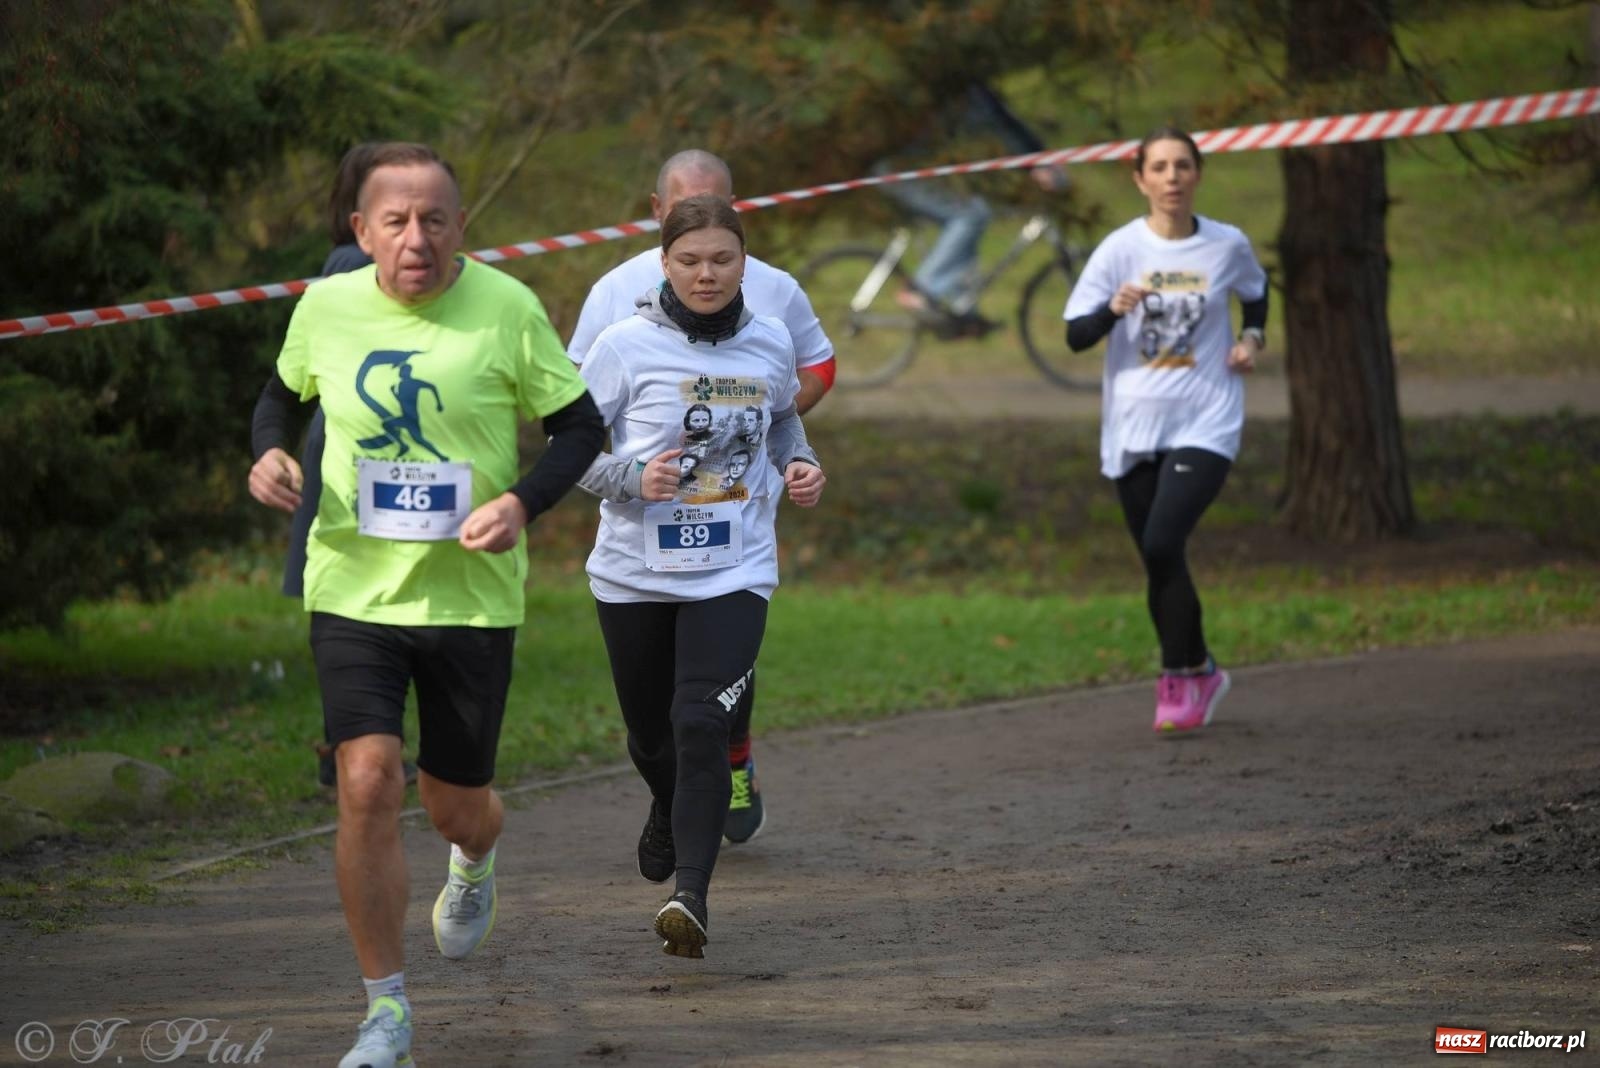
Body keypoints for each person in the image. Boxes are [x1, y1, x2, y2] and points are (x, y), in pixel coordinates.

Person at [247, 141, 603, 1068]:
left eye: (435, 218)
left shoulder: (507, 308)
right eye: (396, 220)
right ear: (361, 231)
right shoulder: (325, 306)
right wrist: (271, 454)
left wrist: (521, 501)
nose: (418, 237)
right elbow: (277, 401)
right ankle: (387, 1013)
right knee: (365, 780)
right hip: (352, 587)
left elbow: (579, 428)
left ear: (461, 227)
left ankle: (476, 857)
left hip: (470, 601)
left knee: (455, 805)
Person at [574, 193, 825, 959]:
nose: (706, 274)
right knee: (652, 736)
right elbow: (570, 453)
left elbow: (782, 416)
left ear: (744, 259)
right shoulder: (622, 345)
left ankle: (691, 897)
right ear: (663, 263)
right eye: (690, 260)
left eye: (722, 258)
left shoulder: (770, 339)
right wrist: (628, 477)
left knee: (701, 721)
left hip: (736, 567)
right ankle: (665, 800)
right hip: (634, 573)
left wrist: (800, 459)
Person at [1061, 127, 1268, 735]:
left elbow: (1257, 297)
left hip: (1207, 416)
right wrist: (1112, 310)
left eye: (1183, 165)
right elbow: (1075, 335)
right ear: (1140, 179)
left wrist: (1251, 339)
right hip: (1133, 422)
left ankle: (1180, 673)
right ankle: (1195, 671)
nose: (1172, 177)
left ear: (1197, 174)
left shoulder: (1227, 245)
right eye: (1160, 167)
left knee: (1160, 542)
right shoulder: (1120, 250)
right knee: (1160, 558)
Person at [281, 143, 420, 791]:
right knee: (357, 614)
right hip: (352, 473)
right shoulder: (347, 267)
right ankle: (352, 747)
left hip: (391, 471)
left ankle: (365, 743)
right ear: (359, 213)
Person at [875, 81, 1067, 325]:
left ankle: (961, 311)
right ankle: (920, 289)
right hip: (901, 172)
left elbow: (1006, 121)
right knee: (970, 215)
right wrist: (1035, 165)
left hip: (913, 170)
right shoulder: (967, 90)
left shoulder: (974, 87)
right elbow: (995, 127)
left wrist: (1041, 156)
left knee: (975, 212)